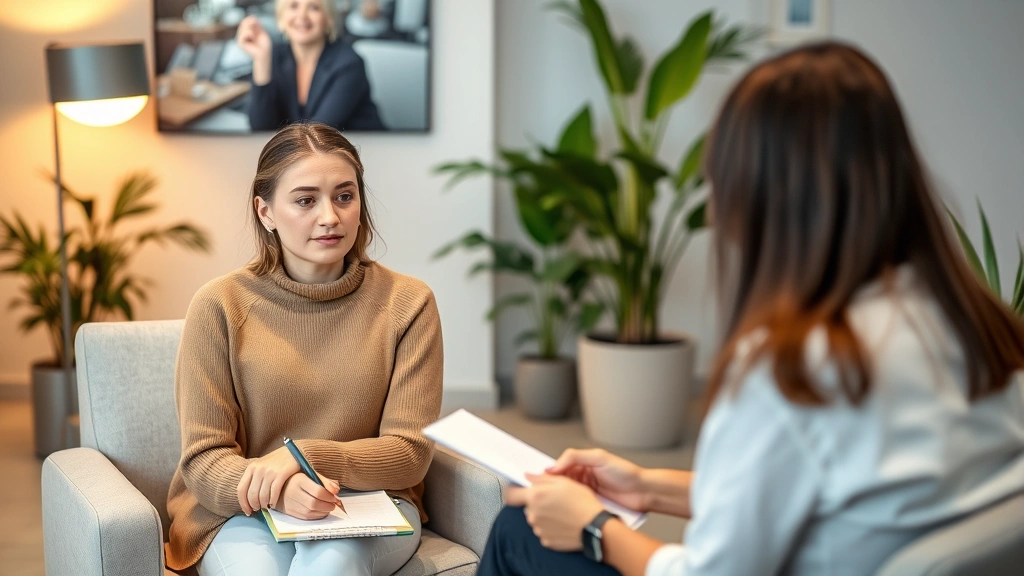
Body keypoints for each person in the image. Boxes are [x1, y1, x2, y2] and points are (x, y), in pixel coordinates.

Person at [476, 42, 1024, 576]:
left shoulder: (793, 370)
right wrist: (646, 487)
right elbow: (830, 498)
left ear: (758, 198)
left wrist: (596, 526)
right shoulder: (975, 326)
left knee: (518, 528)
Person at [164, 122, 441, 575]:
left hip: (370, 504)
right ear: (265, 211)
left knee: (331, 567)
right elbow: (203, 460)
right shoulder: (220, 304)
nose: (330, 216)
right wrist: (279, 489)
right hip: (242, 508)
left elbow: (409, 453)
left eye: (345, 196)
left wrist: (305, 457)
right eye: (306, 200)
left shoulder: (408, 304)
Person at [236, 0, 385, 132]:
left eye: (314, 7)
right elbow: (261, 128)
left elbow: (317, 135)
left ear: (329, 19)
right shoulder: (274, 56)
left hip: (365, 155)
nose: (302, 16)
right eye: (294, 5)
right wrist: (261, 60)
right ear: (281, 18)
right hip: (311, 158)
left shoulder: (349, 64)